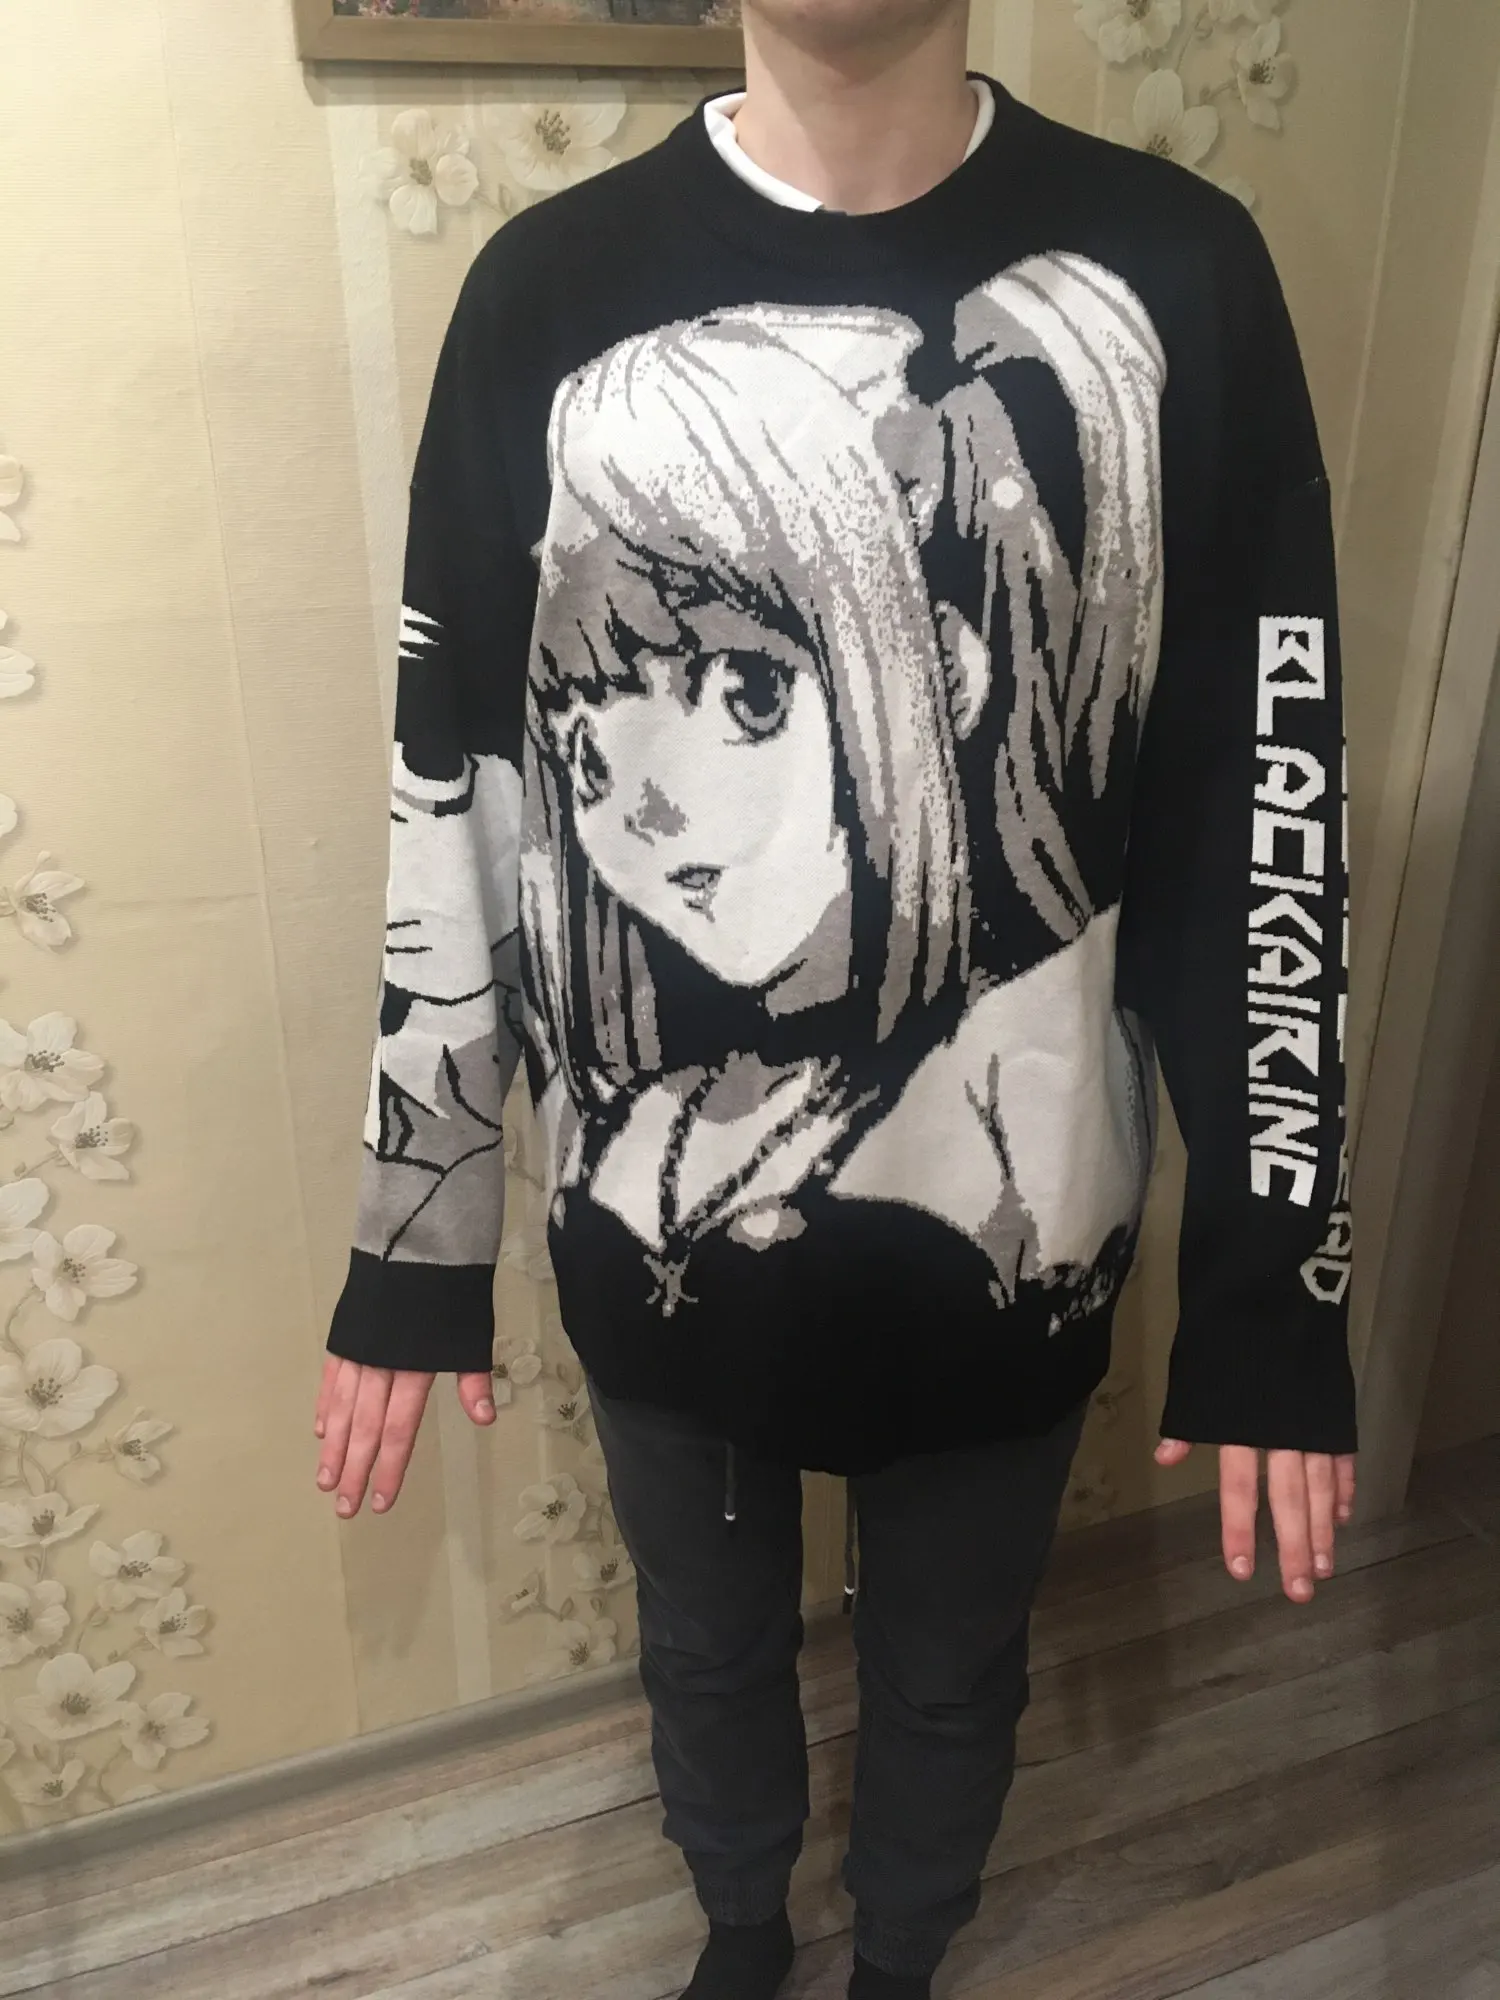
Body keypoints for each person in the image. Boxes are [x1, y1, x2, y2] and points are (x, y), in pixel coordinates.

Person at [314, 3, 1360, 1993]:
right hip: (650, 1240)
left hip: (1017, 1239)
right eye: (625, 731)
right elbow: (463, 781)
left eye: (744, 694)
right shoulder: (544, 292)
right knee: (700, 1641)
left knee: (954, 1660)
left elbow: (1258, 809)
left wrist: (1274, 1289)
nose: (656, 807)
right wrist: (412, 1241)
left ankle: (901, 1956)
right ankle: (739, 1932)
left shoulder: (1177, 274)